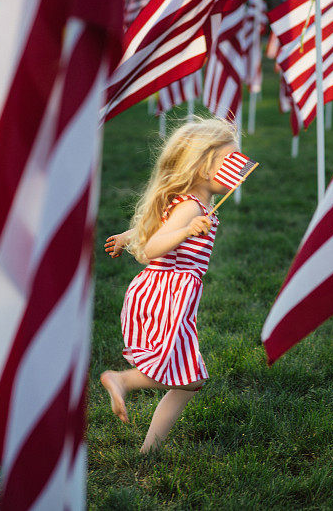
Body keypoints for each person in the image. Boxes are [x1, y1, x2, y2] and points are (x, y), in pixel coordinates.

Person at [100, 117, 238, 453]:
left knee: (191, 381)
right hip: (166, 293)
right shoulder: (191, 207)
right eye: (230, 162)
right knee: (178, 374)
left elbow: (150, 233)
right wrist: (188, 230)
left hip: (177, 294)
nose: (237, 170)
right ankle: (122, 379)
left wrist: (127, 236)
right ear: (203, 166)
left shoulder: (195, 204)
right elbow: (152, 249)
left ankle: (149, 451)